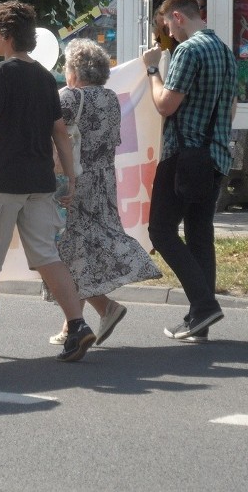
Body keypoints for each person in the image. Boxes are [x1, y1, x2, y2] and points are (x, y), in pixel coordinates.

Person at [0, 0, 96, 362]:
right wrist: (71, 178)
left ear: (6, 35)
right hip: (40, 182)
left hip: (3, 181)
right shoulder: (46, 77)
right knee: (48, 257)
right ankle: (77, 324)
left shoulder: (3, 73)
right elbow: (60, 133)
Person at [45, 39, 162, 345]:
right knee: (82, 249)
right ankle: (73, 323)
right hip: (104, 183)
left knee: (67, 251)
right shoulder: (110, 98)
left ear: (74, 70)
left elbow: (50, 133)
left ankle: (103, 308)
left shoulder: (68, 98)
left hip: (74, 182)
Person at [142, 0, 236, 343]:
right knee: (200, 234)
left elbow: (166, 105)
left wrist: (152, 70)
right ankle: (201, 319)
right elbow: (230, 107)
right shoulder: (225, 52)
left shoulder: (189, 49)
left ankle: (204, 304)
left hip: (183, 153)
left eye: (168, 26)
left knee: (161, 231)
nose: (169, 35)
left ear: (177, 17)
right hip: (215, 155)